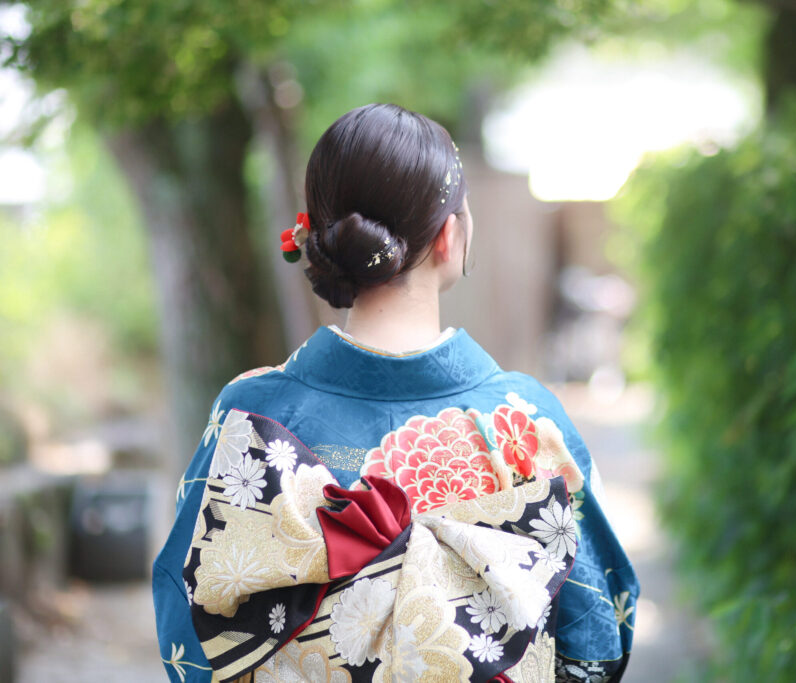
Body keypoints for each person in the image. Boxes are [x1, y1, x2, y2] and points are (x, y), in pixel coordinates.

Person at [153, 103, 638, 683]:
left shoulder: (251, 415)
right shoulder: (529, 423)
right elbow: (596, 635)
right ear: (449, 236)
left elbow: (187, 620)